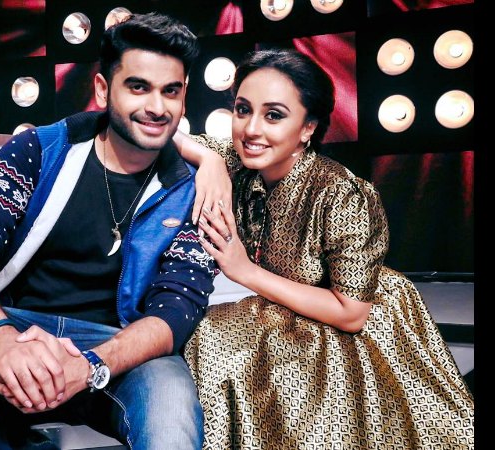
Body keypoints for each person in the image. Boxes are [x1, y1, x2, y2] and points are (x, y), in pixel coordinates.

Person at [0, 12, 226, 450]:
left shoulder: (193, 192)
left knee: (171, 406)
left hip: (121, 347)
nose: (157, 107)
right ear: (102, 89)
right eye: (138, 87)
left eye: (170, 91)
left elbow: (176, 309)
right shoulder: (40, 150)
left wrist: (92, 364)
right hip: (18, 327)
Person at [175, 49, 474, 449]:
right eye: (243, 110)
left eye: (274, 115)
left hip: (349, 317)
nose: (251, 129)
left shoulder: (341, 193)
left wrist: (245, 271)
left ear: (308, 128)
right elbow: (165, 133)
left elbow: (351, 313)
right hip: (279, 305)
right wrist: (207, 159)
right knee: (209, 335)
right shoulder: (236, 160)